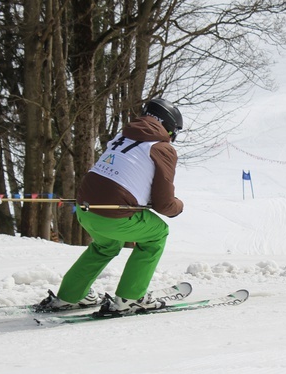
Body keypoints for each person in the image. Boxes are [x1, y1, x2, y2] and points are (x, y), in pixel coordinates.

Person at [36, 98, 184, 316]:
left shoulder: (120, 138)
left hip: (85, 210)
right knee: (156, 234)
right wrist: (177, 207)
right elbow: (164, 204)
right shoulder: (161, 148)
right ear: (169, 128)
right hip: (114, 215)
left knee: (105, 246)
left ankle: (69, 296)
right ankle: (130, 298)